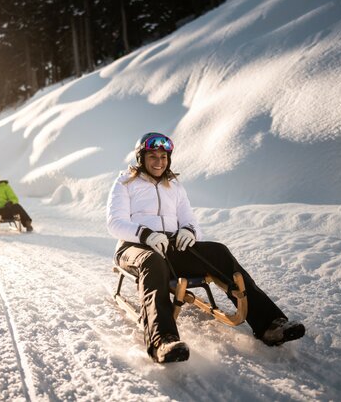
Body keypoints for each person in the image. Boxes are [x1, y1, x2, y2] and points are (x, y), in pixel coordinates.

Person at [106, 132, 305, 363]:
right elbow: (115, 223)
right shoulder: (125, 183)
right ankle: (163, 341)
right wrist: (145, 234)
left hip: (169, 246)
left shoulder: (175, 186)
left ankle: (269, 324)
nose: (159, 162)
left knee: (218, 252)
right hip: (134, 247)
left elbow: (191, 221)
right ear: (141, 157)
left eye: (163, 156)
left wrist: (189, 231)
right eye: (152, 156)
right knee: (152, 262)